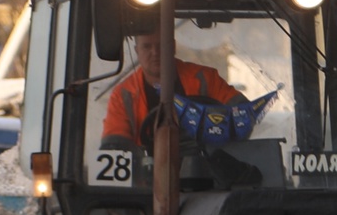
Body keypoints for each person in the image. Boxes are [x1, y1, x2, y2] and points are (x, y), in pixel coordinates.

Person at [97, 35, 243, 154]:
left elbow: (242, 112)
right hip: (146, 182)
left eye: (161, 45)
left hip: (208, 170)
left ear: (173, 46)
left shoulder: (205, 79)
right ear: (137, 51)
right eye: (147, 46)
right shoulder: (123, 95)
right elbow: (114, 147)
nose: (155, 52)